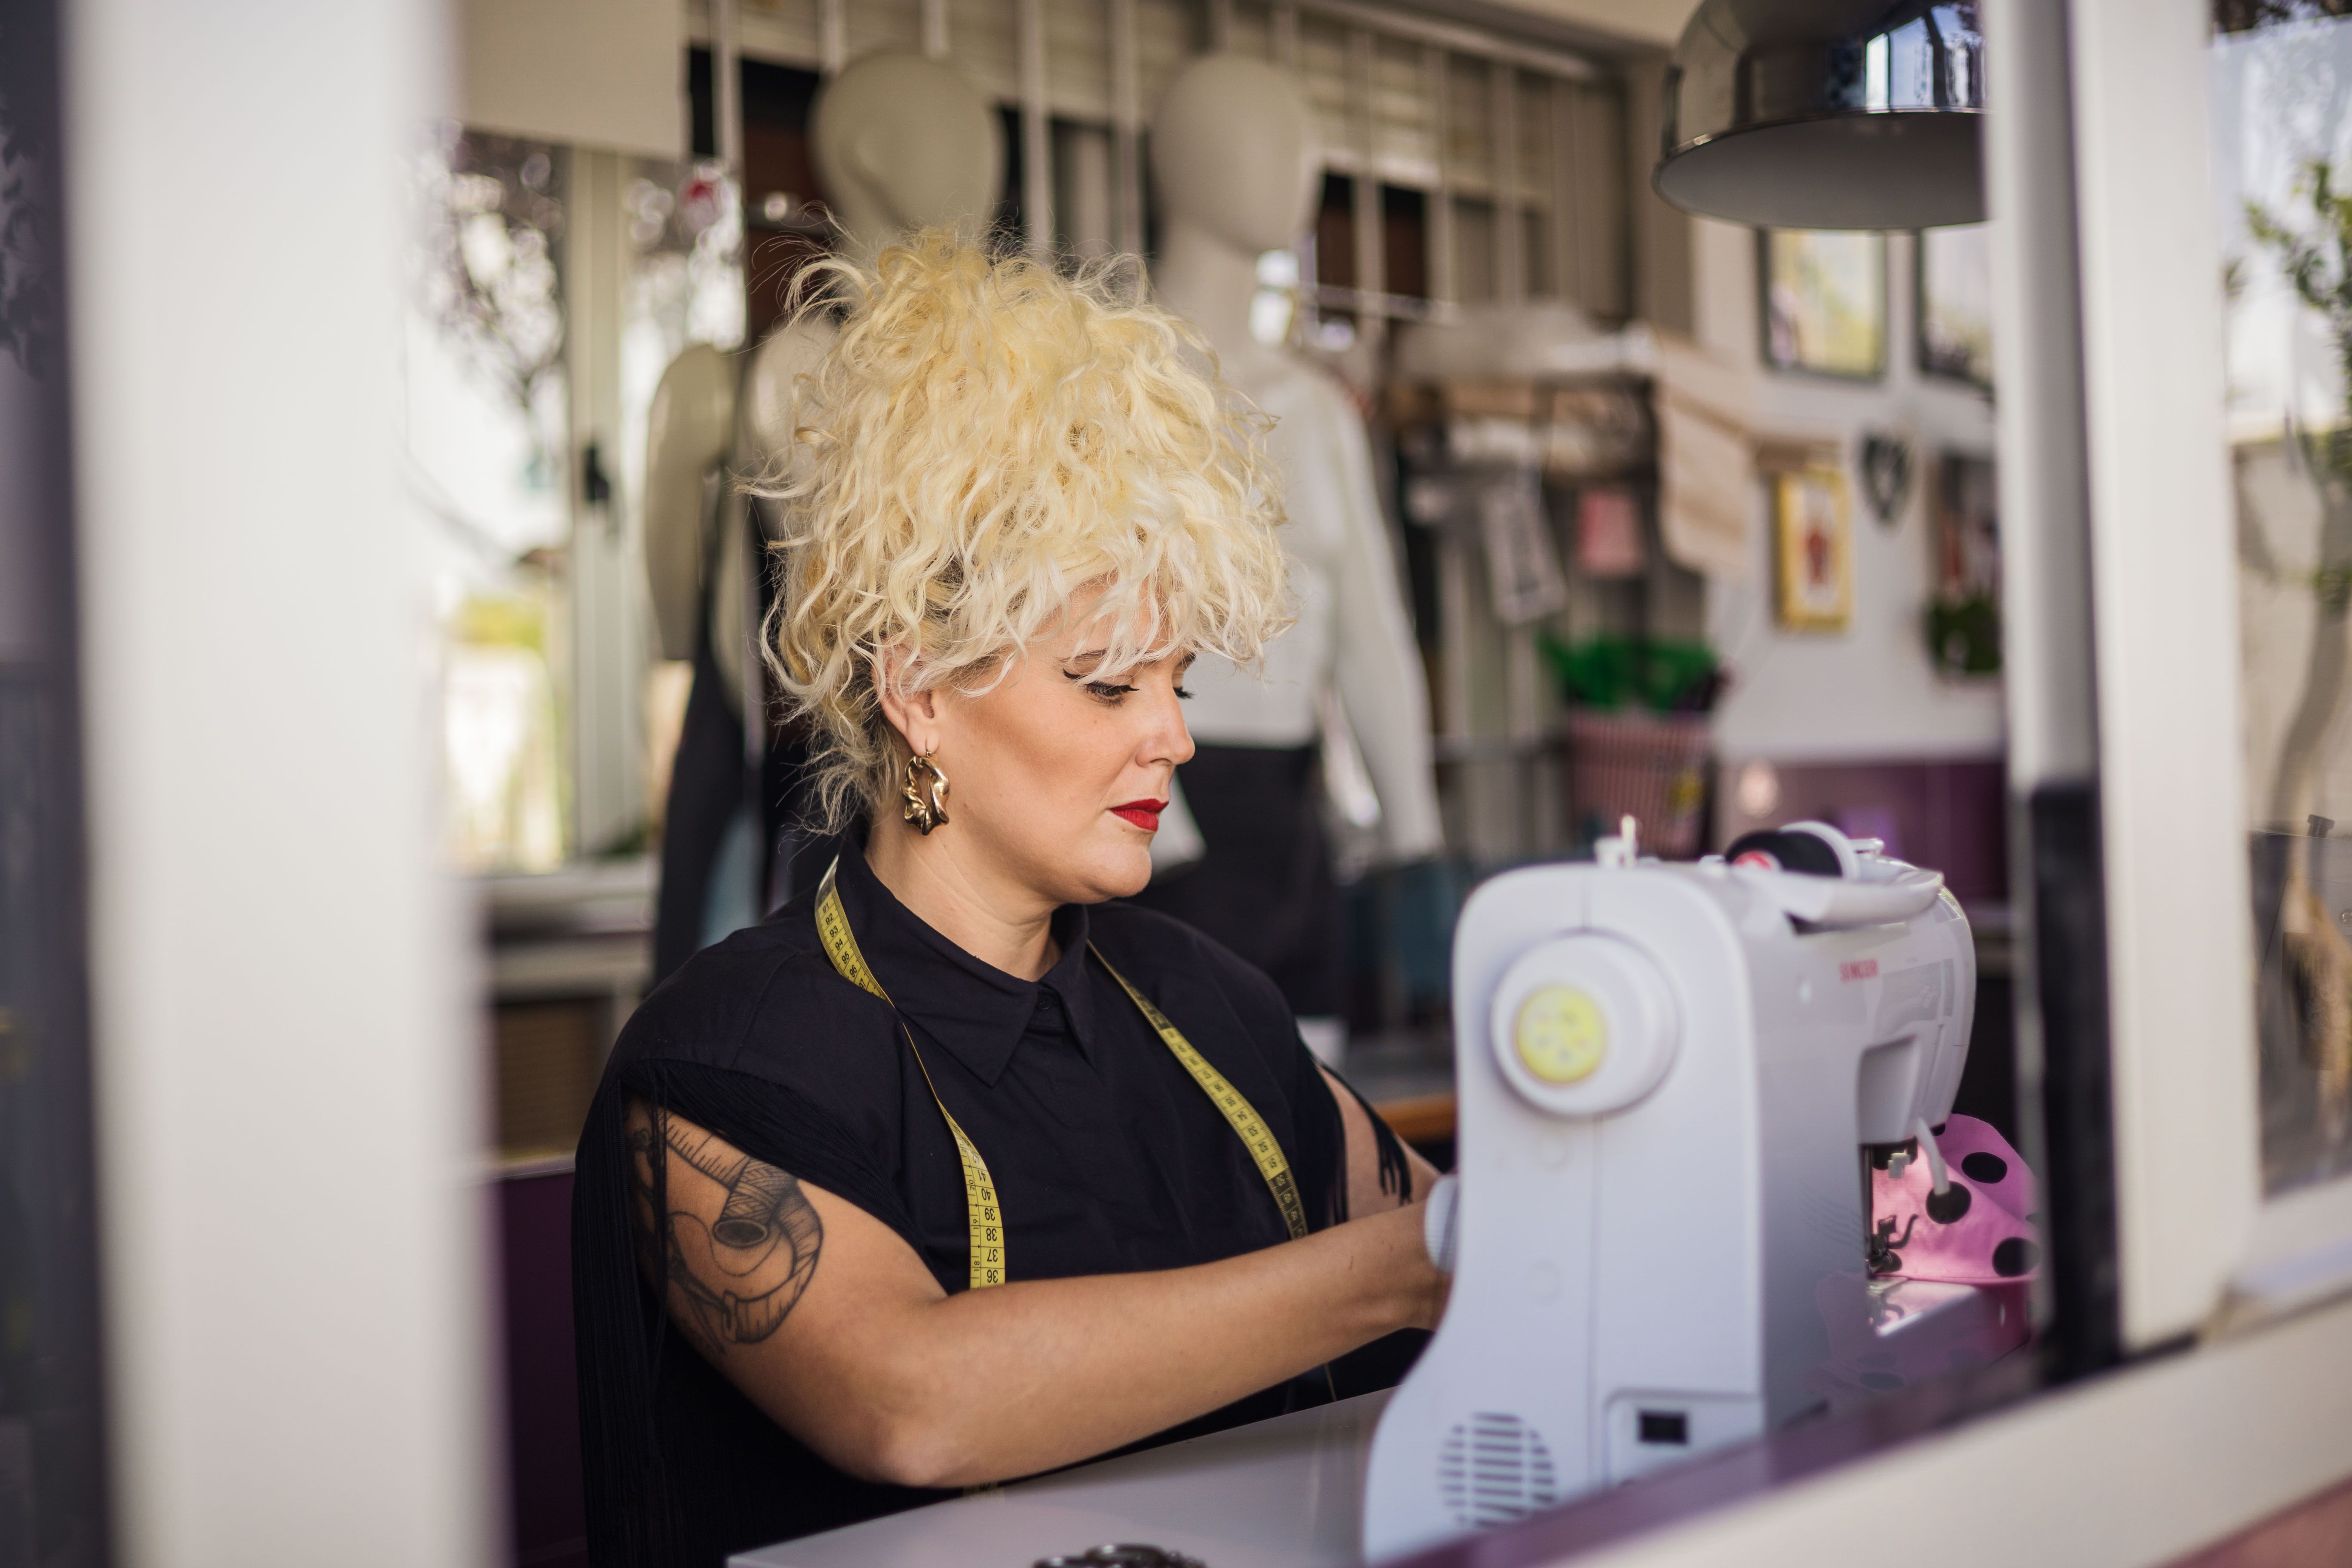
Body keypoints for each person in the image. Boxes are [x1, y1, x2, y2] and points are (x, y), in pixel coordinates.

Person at [573, 230, 1448, 1568]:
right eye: (1109, 684)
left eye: (1181, 684)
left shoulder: (1213, 1012)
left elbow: (1473, 1247)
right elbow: (914, 1404)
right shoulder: (720, 1070)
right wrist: (1390, 1273)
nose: (1175, 738)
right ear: (921, 692)